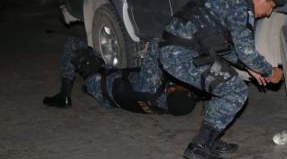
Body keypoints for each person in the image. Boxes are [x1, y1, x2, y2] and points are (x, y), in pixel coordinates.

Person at [160, 0, 286, 159]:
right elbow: (246, 51)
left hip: (182, 49)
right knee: (235, 90)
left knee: (227, 82)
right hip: (180, 53)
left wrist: (247, 67)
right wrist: (271, 72)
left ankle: (211, 138)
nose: (269, 13)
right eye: (271, 6)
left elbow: (221, 43)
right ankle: (199, 145)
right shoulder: (241, 8)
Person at [43, 37, 198, 116]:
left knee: (73, 43)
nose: (186, 86)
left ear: (172, 91)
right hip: (111, 93)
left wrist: (179, 41)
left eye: (184, 89)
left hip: (101, 82)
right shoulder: (167, 105)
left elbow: (155, 46)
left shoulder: (152, 84)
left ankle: (63, 96)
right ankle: (88, 87)